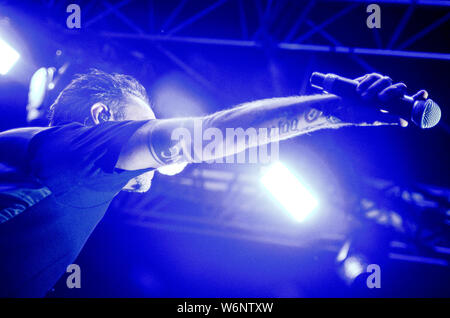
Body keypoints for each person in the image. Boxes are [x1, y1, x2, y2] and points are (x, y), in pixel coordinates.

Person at [0, 69, 426, 297]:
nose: (152, 137)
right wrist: (339, 111)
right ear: (102, 118)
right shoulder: (78, 153)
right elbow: (205, 135)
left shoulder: (40, 160)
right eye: (145, 126)